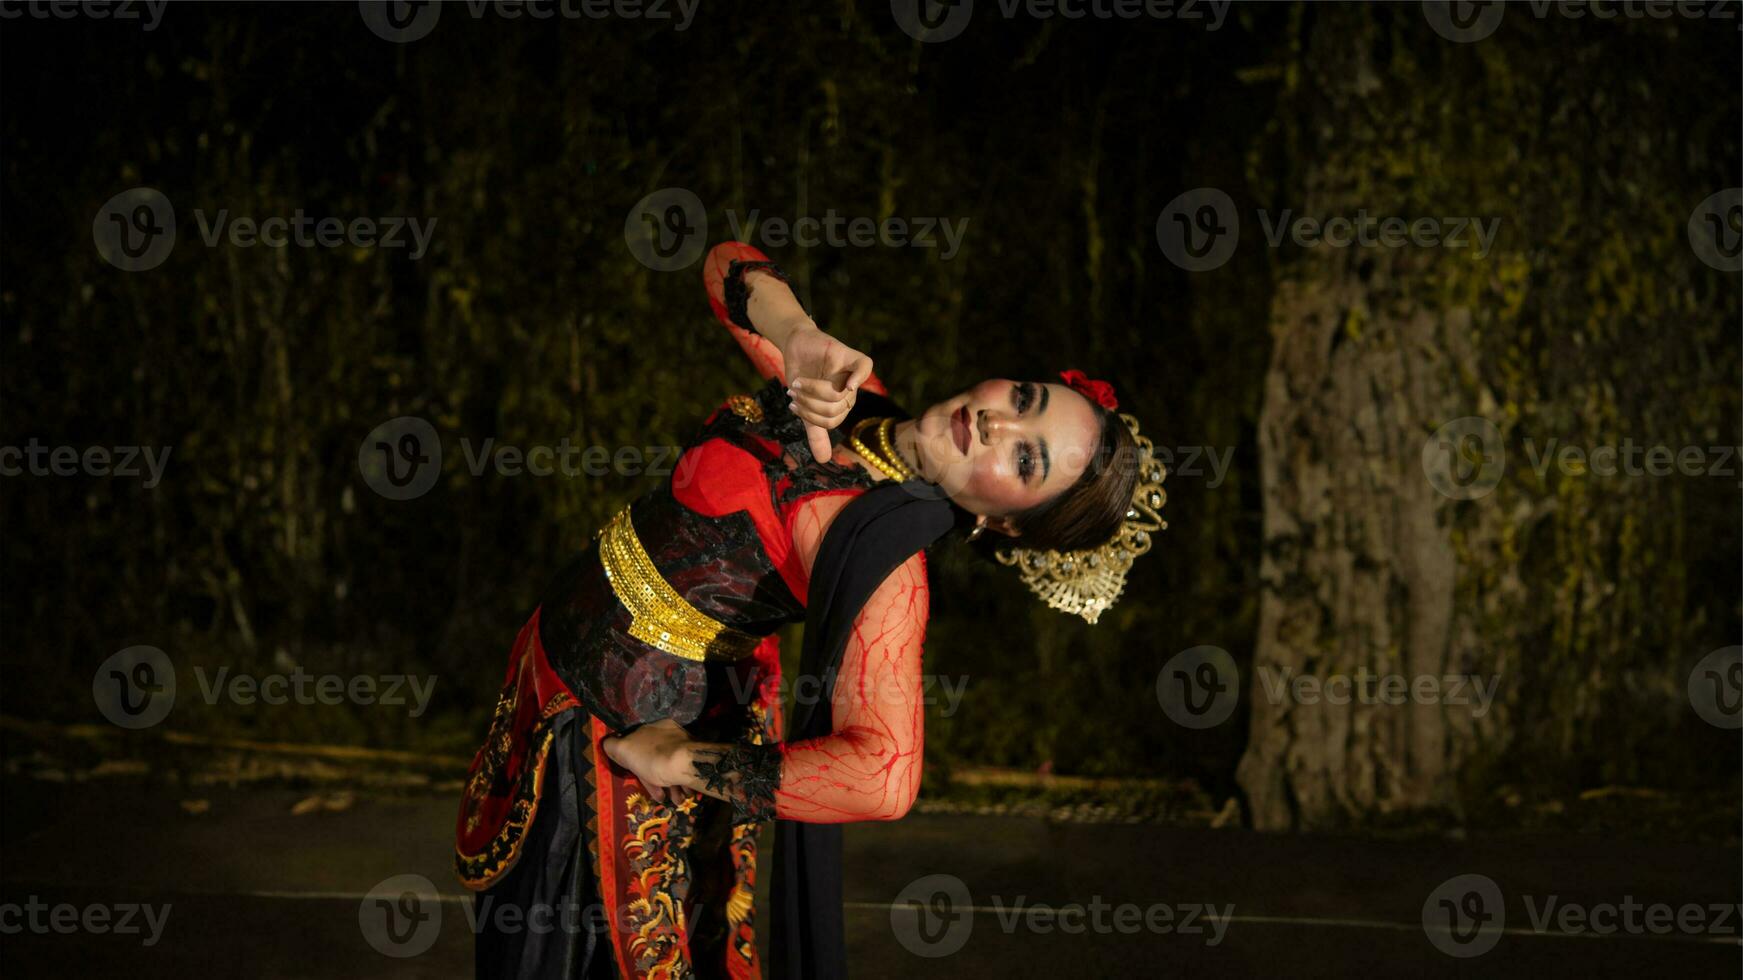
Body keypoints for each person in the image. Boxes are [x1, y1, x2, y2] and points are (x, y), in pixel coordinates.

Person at [454, 241, 1168, 979]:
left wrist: (678, 760)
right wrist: (797, 333)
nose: (997, 425)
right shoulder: (858, 401)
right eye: (1023, 400)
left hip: (618, 739)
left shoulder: (884, 557)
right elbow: (725, 266)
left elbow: (883, 778)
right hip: (552, 680)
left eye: (1026, 460)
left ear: (1004, 525)